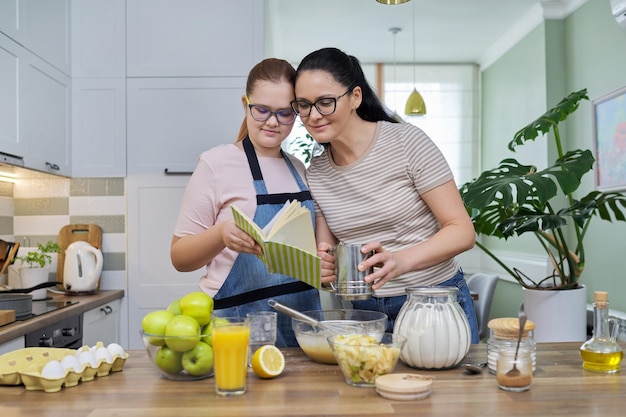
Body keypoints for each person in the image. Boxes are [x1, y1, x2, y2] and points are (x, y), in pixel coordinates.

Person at [291, 47, 479, 343]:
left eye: (325, 102)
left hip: (430, 302)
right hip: (362, 311)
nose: (313, 116)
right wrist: (323, 263)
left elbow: (462, 231)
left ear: (355, 97)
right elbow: (327, 245)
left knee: (448, 390)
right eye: (303, 105)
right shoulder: (316, 171)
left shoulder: (407, 142)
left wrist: (401, 261)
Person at [170, 58, 321, 347]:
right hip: (237, 325)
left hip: (303, 324)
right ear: (245, 104)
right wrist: (220, 234)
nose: (273, 121)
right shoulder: (215, 164)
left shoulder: (300, 169)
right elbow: (179, 257)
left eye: (285, 113)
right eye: (262, 110)